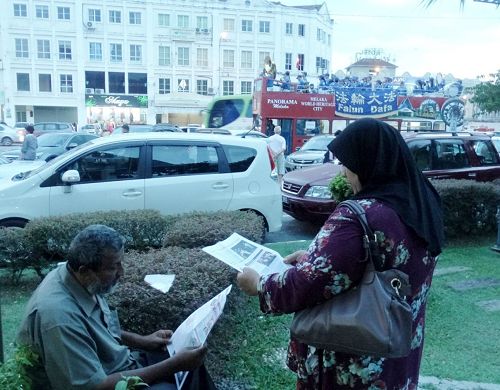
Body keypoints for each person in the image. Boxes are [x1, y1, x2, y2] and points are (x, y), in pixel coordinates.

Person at [237, 118, 444, 389]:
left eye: (347, 163)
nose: (343, 172)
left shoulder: (359, 215)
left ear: (366, 163)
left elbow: (307, 284)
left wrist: (259, 284)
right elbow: (384, 263)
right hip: (397, 346)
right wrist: (315, 258)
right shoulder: (423, 202)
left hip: (354, 358)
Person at [17, 225, 216, 390]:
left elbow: (94, 328)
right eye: (113, 267)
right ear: (85, 271)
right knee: (178, 376)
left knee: (193, 360)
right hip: (106, 381)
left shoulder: (75, 276)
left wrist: (143, 341)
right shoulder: (58, 318)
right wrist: (174, 365)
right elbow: (95, 387)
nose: (122, 272)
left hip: (118, 364)